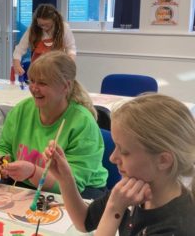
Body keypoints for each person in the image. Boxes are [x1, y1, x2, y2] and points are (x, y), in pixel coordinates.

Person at [44, 93, 195, 235]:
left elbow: (108, 215)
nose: (112, 158)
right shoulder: (132, 188)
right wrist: (65, 178)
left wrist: (115, 209)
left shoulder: (177, 227)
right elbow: (84, 221)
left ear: (163, 160)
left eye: (124, 151)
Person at [0, 51, 107, 199]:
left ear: (65, 86)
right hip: (29, 184)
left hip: (80, 193)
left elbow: (73, 184)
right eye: (31, 81)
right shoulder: (22, 110)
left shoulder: (82, 123)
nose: (34, 88)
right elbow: (4, 146)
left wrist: (33, 172)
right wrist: (0, 161)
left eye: (42, 83)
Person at [12, 3, 76, 76]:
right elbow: (20, 49)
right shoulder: (33, 28)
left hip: (58, 68)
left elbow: (71, 48)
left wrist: (70, 64)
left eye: (47, 24)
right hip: (37, 67)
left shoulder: (64, 28)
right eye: (41, 25)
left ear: (54, 20)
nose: (44, 27)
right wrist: (16, 64)